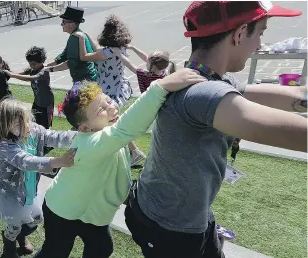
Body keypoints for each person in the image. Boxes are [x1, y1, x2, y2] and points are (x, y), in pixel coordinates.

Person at [124, 2, 306, 258]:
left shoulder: (207, 77)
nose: (261, 46)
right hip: (169, 227)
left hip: (177, 211)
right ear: (240, 33)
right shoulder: (203, 93)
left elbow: (297, 95)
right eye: (261, 33)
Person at [35, 69, 205, 258]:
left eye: (108, 100)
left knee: (101, 249)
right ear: (84, 128)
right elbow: (127, 128)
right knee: (55, 253)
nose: (111, 107)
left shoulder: (107, 137)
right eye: (101, 109)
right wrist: (160, 87)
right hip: (62, 210)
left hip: (92, 214)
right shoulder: (90, 143)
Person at [0, 99, 77, 257]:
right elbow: (25, 161)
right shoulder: (5, 145)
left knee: (35, 220)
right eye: (18, 124)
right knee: (15, 225)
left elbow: (52, 136)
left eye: (27, 120)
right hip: (10, 195)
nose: (27, 126)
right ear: (5, 126)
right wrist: (58, 161)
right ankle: (9, 248)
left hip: (27, 188)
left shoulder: (32, 130)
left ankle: (19, 235)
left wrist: (78, 135)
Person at [73, 14, 146, 166]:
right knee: (112, 122)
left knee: (109, 124)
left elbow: (85, 57)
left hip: (108, 92)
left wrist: (81, 39)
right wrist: (87, 35)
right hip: (119, 88)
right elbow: (98, 50)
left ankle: (132, 152)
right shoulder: (118, 49)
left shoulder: (105, 52)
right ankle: (134, 152)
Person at [44, 6, 98, 84]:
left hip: (85, 81)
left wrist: (50, 69)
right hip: (87, 79)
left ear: (72, 24)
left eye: (64, 22)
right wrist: (45, 65)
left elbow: (71, 63)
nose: (61, 24)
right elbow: (63, 56)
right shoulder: (76, 35)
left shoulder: (75, 38)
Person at [7, 46, 54, 130]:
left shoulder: (44, 71)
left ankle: (45, 140)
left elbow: (31, 78)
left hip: (46, 104)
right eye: (30, 64)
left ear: (42, 61)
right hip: (37, 102)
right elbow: (23, 73)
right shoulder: (33, 69)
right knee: (33, 121)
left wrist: (13, 75)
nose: (32, 66)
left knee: (45, 126)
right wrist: (10, 74)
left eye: (34, 64)